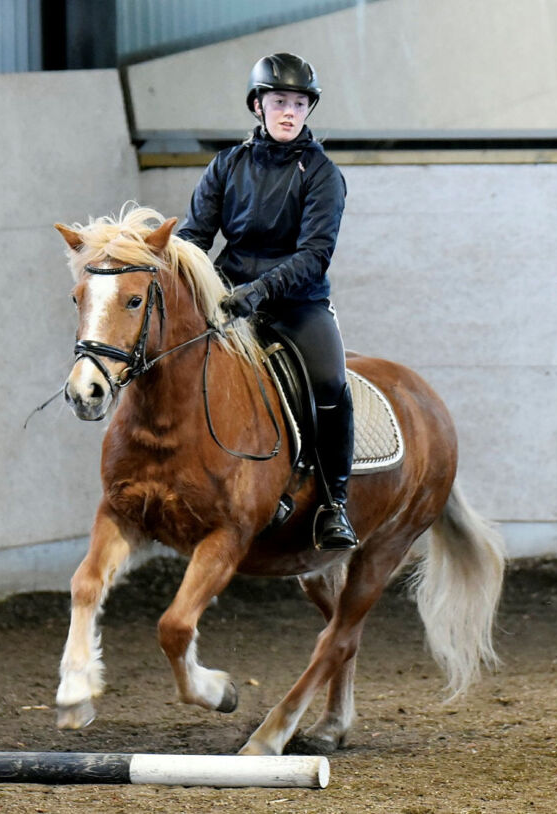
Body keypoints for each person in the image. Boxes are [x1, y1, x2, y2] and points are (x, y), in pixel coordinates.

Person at [177, 52, 357, 551]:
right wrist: (190, 279)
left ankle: (333, 502)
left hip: (298, 303)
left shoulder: (321, 173)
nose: (289, 113)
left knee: (329, 382)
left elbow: (315, 254)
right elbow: (194, 237)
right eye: (279, 102)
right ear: (258, 105)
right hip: (230, 296)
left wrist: (257, 293)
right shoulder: (226, 165)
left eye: (299, 104)